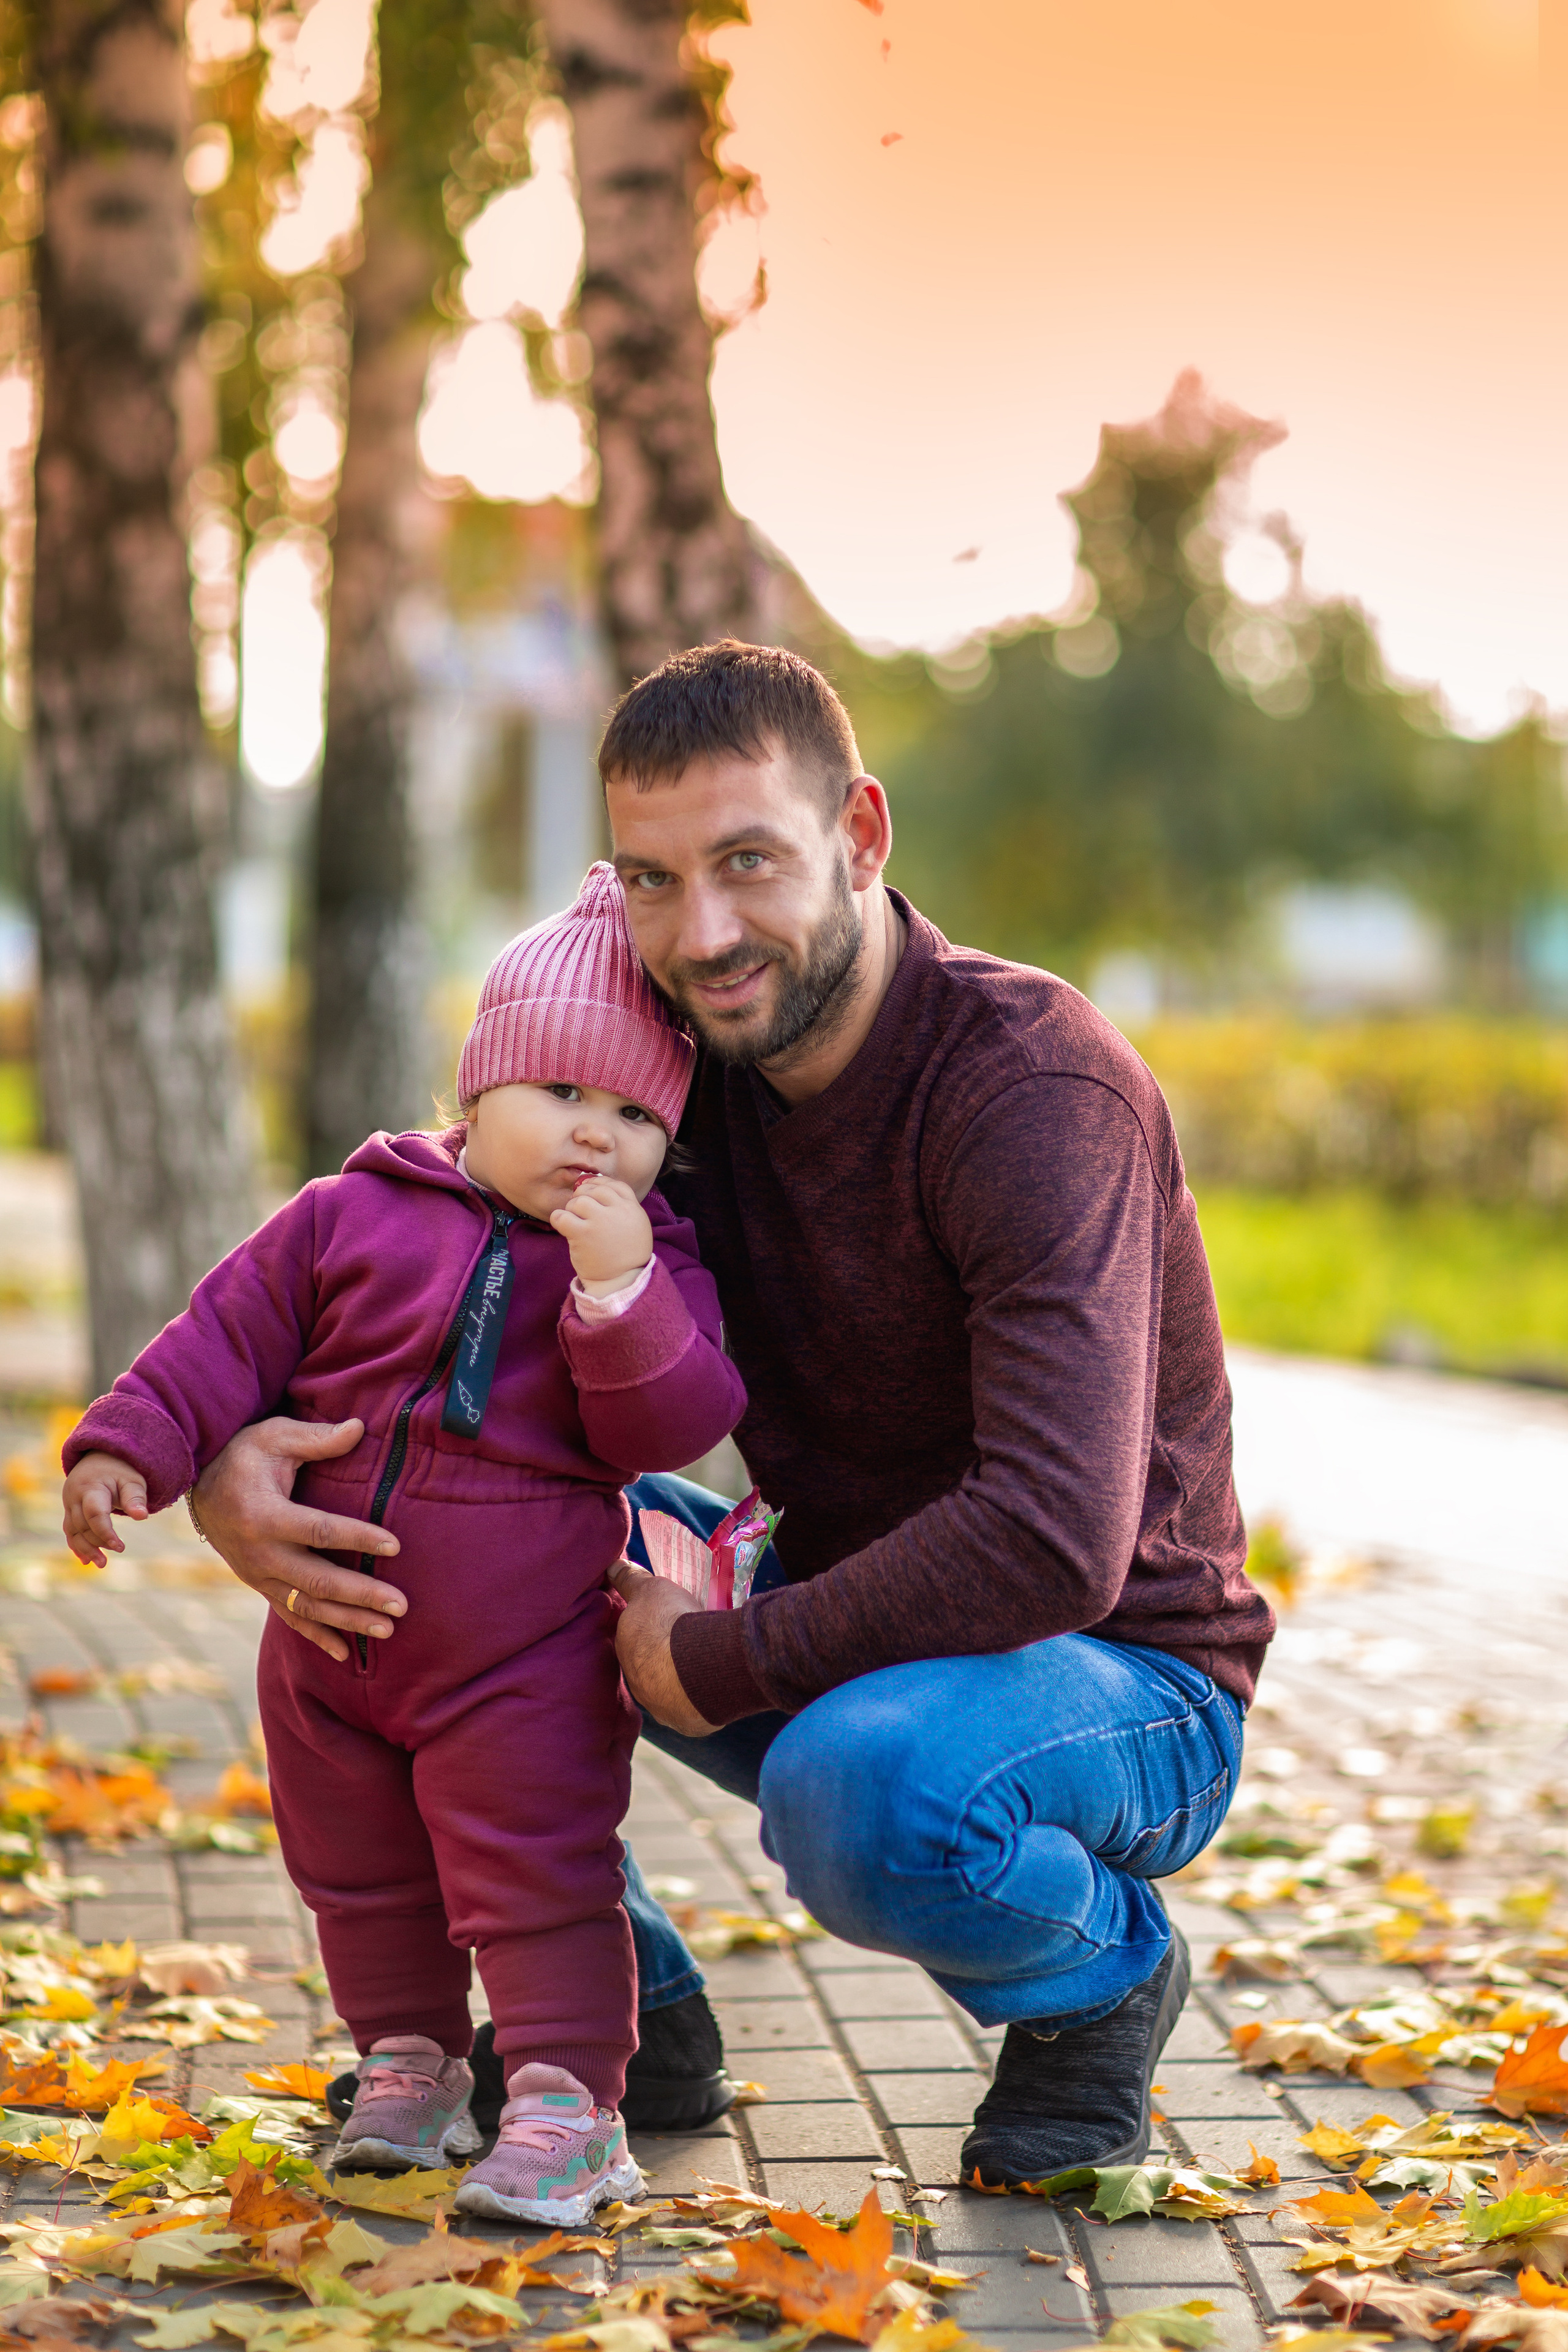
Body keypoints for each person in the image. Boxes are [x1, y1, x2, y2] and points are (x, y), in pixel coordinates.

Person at [190, 642, 1275, 2189]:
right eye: (649, 878)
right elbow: (432, 1250)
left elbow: (1053, 1538)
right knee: (417, 1556)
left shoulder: (1030, 1090)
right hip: (831, 1593)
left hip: (1119, 1667)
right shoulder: (668, 1088)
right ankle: (636, 2019)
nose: (699, 933)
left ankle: (1098, 1982)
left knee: (860, 1788)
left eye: (747, 863)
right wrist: (243, 1463)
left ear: (862, 836)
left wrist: (724, 1658)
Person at [58, 867, 745, 2223]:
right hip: (327, 1642)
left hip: (523, 1650)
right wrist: (126, 1446)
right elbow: (223, 1340)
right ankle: (410, 2070)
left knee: (535, 1869)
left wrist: (619, 1295)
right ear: (474, 1091)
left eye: (632, 1116)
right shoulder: (344, 1213)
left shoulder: (644, 1266)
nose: (593, 1139)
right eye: (560, 1096)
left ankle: (566, 2107)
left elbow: (677, 1418)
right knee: (359, 1870)